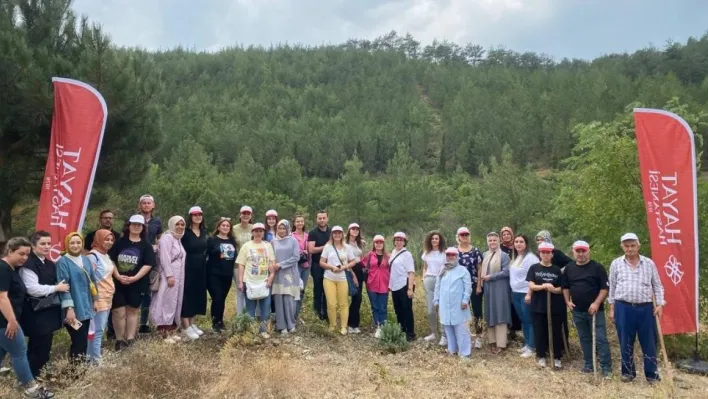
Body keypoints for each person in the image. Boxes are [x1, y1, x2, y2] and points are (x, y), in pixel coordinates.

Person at [0, 237, 55, 398]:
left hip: (7, 319)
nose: (24, 258)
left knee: (2, 351)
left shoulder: (11, 268)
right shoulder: (3, 268)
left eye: (27, 254)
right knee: (19, 352)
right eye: (21, 254)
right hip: (5, 320)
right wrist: (11, 320)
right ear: (10, 251)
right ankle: (31, 389)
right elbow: (2, 297)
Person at [609, 233, 665, 383]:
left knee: (649, 342)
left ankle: (651, 374)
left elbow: (658, 285)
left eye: (632, 245)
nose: (630, 249)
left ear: (638, 246)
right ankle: (628, 373)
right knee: (625, 341)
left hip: (646, 308)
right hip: (623, 307)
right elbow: (612, 287)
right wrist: (612, 308)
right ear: (622, 247)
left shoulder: (649, 263)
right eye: (626, 246)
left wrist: (659, 304)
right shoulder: (616, 264)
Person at [18, 231, 66, 379]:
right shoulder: (28, 264)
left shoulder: (50, 263)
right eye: (43, 244)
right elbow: (32, 289)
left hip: (48, 311)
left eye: (49, 244)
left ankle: (36, 374)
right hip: (34, 313)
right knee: (38, 347)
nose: (47, 247)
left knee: (43, 345)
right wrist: (56, 288)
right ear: (33, 246)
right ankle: (31, 377)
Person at [563, 240, 612, 378]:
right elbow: (565, 287)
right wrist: (567, 301)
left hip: (596, 311)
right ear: (573, 252)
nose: (580, 254)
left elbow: (604, 288)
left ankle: (606, 368)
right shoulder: (569, 268)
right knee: (584, 338)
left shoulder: (597, 267)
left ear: (588, 251)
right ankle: (589, 364)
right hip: (578, 311)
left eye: (583, 250)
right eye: (577, 251)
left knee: (601, 339)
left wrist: (596, 303)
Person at [110, 215, 156, 350]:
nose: (136, 226)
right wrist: (118, 276)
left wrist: (135, 277)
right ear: (128, 225)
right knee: (118, 312)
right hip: (118, 282)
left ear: (143, 227)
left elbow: (148, 264)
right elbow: (111, 260)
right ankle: (119, 340)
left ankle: (130, 339)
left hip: (137, 283)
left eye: (139, 225)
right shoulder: (119, 242)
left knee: (132, 310)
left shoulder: (145, 245)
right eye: (134, 224)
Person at [56, 233, 96, 365]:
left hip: (86, 307)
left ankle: (81, 371)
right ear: (67, 244)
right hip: (73, 310)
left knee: (83, 341)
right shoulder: (63, 262)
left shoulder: (85, 260)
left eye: (78, 242)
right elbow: (64, 286)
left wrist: (95, 300)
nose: (75, 245)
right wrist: (69, 308)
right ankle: (74, 374)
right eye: (72, 243)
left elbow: (92, 280)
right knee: (78, 342)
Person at [526, 242, 565, 369]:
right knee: (539, 331)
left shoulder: (557, 270)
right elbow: (531, 285)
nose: (545, 255)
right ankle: (541, 356)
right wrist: (542, 286)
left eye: (548, 252)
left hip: (554, 307)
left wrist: (553, 289)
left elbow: (562, 289)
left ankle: (557, 357)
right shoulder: (534, 268)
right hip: (538, 306)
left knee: (555, 332)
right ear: (540, 254)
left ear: (552, 254)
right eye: (543, 252)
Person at [149, 216, 187, 342]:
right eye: (177, 224)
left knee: (174, 302)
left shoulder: (178, 239)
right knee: (165, 302)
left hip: (178, 275)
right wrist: (169, 275)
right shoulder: (167, 237)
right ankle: (163, 332)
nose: (180, 227)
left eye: (182, 224)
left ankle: (171, 329)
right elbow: (164, 258)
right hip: (168, 276)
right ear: (172, 224)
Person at [237, 223, 276, 338]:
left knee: (265, 308)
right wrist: (240, 281)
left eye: (261, 231)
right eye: (256, 231)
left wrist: (271, 277)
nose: (258, 233)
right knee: (250, 309)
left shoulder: (268, 246)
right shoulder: (246, 246)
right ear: (252, 232)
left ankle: (263, 330)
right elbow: (241, 264)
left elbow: (272, 263)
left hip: (264, 281)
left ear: (263, 232)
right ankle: (251, 331)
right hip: (249, 281)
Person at [86, 230, 118, 363]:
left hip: (107, 296)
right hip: (98, 298)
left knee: (98, 330)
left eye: (111, 240)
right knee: (97, 330)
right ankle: (94, 361)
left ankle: (90, 358)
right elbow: (89, 278)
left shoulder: (105, 255)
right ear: (98, 239)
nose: (109, 242)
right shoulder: (93, 256)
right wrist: (94, 298)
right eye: (106, 239)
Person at [435, 247, 473, 358]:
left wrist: (465, 300)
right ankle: (452, 350)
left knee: (461, 329)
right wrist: (436, 300)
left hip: (459, 305)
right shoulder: (443, 270)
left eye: (453, 255)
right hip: (445, 305)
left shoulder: (462, 270)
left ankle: (465, 353)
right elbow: (438, 286)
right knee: (448, 327)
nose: (451, 257)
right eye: (449, 255)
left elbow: (468, 287)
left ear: (457, 257)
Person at [320, 226, 356, 335]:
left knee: (343, 303)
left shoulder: (347, 247)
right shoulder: (328, 247)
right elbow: (322, 262)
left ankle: (344, 327)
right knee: (331, 303)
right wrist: (331, 267)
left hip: (343, 278)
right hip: (329, 278)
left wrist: (345, 267)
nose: (337, 235)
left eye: (339, 233)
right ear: (332, 234)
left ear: (342, 234)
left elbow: (353, 261)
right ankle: (332, 325)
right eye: (335, 233)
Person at [479, 232, 511, 354]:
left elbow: (507, 272)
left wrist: (491, 276)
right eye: (490, 240)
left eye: (494, 240)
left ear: (498, 241)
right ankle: (492, 341)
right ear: (487, 242)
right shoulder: (485, 254)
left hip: (500, 287)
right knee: (490, 311)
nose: (492, 242)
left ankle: (501, 343)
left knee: (500, 311)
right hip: (488, 288)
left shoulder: (504, 256)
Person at [509, 234, 539, 358]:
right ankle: (527, 343)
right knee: (523, 320)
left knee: (529, 320)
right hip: (515, 292)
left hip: (525, 293)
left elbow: (534, 277)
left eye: (521, 241)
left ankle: (533, 347)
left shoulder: (531, 258)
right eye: (516, 242)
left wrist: (529, 293)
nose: (518, 244)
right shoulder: (517, 257)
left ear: (526, 244)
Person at [206, 217, 236, 334]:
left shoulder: (232, 241)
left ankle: (220, 321)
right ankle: (215, 322)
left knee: (222, 298)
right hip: (213, 274)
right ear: (218, 227)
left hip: (227, 274)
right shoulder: (212, 240)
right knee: (217, 297)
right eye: (223, 225)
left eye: (227, 226)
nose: (225, 227)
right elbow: (206, 256)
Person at [181, 206, 208, 337]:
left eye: (200, 214)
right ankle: (185, 325)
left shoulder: (203, 232)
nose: (198, 217)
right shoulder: (185, 232)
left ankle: (192, 323)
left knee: (197, 294)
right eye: (195, 215)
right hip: (187, 266)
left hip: (201, 266)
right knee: (187, 294)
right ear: (190, 216)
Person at [137, 195, 163, 334]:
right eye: (144, 203)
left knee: (148, 291)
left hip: (151, 260)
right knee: (136, 290)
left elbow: (159, 238)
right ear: (140, 205)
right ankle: (132, 321)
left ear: (153, 205)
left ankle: (144, 323)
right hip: (136, 258)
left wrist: (156, 246)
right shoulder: (134, 220)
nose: (146, 205)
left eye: (149, 203)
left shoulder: (157, 221)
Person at [455, 227, 484, 349]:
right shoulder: (454, 251)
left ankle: (479, 336)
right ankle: (463, 335)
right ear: (458, 237)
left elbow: (479, 268)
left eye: (466, 235)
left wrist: (479, 285)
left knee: (477, 311)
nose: (464, 237)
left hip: (473, 284)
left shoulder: (475, 251)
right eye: (462, 235)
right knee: (461, 311)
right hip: (459, 286)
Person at [271, 220, 301, 335]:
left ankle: (291, 324)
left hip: (290, 273)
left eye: (284, 228)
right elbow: (271, 257)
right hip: (277, 274)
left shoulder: (293, 241)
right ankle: (281, 325)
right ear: (277, 229)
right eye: (280, 228)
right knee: (278, 300)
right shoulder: (273, 242)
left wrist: (281, 265)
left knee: (289, 299)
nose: (282, 231)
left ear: (288, 229)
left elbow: (296, 257)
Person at [422, 231, 447, 346]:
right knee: (431, 309)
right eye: (432, 239)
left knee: (441, 308)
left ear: (440, 240)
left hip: (441, 280)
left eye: (436, 238)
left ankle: (444, 335)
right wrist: (424, 277)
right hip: (429, 279)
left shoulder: (444, 253)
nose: (434, 240)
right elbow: (425, 267)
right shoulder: (427, 253)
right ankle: (433, 333)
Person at [389, 232, 416, 341]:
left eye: (401, 240)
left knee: (407, 310)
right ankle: (402, 330)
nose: (399, 242)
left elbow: (411, 272)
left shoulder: (407, 254)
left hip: (404, 284)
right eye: (397, 240)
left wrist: (410, 288)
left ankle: (410, 333)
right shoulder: (394, 252)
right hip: (395, 285)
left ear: (404, 242)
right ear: (394, 241)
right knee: (398, 310)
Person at [363, 235, 389, 338]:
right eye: (376, 242)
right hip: (371, 284)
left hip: (384, 284)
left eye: (380, 242)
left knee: (383, 306)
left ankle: (383, 326)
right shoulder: (370, 255)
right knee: (375, 306)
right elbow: (361, 265)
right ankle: (378, 326)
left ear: (383, 244)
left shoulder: (388, 256)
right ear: (373, 244)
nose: (378, 244)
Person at [307, 210, 331, 321]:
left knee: (328, 290)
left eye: (324, 218)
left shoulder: (332, 232)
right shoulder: (312, 233)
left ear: (327, 219)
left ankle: (326, 314)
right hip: (317, 265)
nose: (322, 220)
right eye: (319, 218)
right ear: (316, 219)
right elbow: (311, 249)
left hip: (330, 265)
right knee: (318, 289)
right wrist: (325, 246)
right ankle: (317, 314)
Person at [500, 226, 522, 341]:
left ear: (512, 235)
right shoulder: (499, 249)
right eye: (504, 234)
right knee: (506, 304)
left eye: (508, 234)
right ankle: (508, 329)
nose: (506, 236)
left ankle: (517, 328)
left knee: (515, 304)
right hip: (503, 280)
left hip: (517, 280)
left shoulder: (517, 248)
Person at [232, 205, 254, 315]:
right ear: (240, 215)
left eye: (248, 213)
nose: (246, 215)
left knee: (251, 290)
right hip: (237, 264)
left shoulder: (254, 228)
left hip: (252, 265)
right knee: (240, 290)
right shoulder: (234, 229)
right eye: (243, 213)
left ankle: (249, 315)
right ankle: (240, 317)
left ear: (251, 215)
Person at [346, 223, 365, 334]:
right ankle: (349, 324)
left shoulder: (359, 243)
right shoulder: (345, 243)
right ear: (349, 230)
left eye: (357, 229)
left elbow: (360, 257)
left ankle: (355, 324)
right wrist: (353, 275)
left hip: (359, 268)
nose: (355, 230)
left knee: (358, 297)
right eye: (353, 229)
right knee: (354, 295)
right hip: (350, 270)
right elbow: (346, 260)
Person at [292, 215, 309, 320]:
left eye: (301, 221)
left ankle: (296, 315)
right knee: (295, 290)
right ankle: (291, 316)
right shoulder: (291, 236)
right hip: (295, 266)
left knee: (302, 290)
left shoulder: (308, 236)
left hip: (306, 265)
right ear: (294, 223)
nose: (299, 223)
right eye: (297, 221)